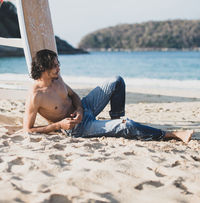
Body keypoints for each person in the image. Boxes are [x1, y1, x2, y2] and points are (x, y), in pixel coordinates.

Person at [23, 49, 193, 143]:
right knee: (128, 125)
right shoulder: (36, 96)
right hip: (77, 128)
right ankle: (172, 134)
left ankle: (116, 121)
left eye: (58, 63)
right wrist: (59, 125)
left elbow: (73, 95)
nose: (59, 68)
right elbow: (28, 130)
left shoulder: (57, 79)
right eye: (54, 66)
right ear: (43, 69)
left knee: (116, 80)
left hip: (84, 108)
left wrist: (81, 108)